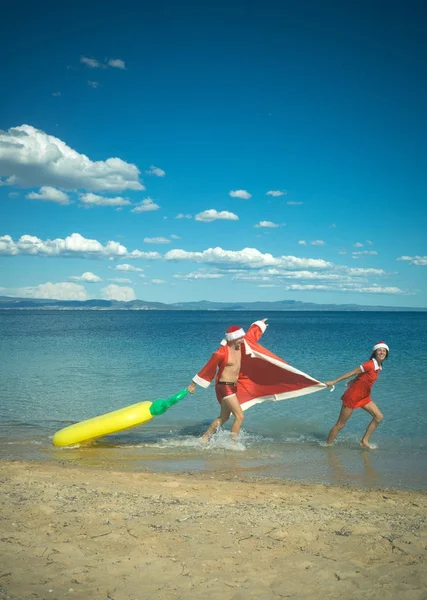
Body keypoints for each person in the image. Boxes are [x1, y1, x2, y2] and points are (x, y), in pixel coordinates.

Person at [187, 318, 325, 442]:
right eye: (240, 338)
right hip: (224, 387)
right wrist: (193, 385)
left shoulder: (241, 346)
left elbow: (251, 336)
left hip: (233, 386)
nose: (242, 340)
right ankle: (233, 443)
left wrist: (259, 325)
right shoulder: (221, 353)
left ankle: (205, 438)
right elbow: (207, 369)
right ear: (232, 339)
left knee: (224, 417)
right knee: (239, 416)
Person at [325, 342, 389, 448]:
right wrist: (333, 381)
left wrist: (354, 381)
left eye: (384, 350)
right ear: (375, 352)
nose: (382, 352)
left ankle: (364, 441)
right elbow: (352, 372)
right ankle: (327, 446)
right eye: (379, 350)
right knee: (340, 425)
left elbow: (363, 375)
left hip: (364, 396)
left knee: (378, 417)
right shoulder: (369, 364)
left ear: (386, 353)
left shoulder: (379, 366)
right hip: (353, 397)